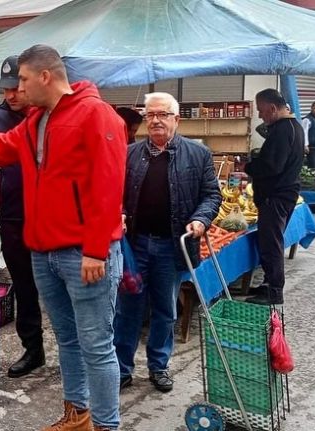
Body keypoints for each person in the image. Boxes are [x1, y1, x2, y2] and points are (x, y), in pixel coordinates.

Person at [0, 44, 126, 431]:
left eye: (24, 79)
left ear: (45, 76)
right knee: (67, 340)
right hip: (44, 252)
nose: (19, 88)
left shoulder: (97, 115)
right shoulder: (36, 121)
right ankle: (78, 415)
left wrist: (96, 251)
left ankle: (106, 425)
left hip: (85, 254)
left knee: (97, 347)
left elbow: (109, 186)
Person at [115, 92, 221, 393]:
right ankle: (122, 368)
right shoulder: (130, 153)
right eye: (150, 115)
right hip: (134, 247)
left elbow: (212, 195)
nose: (156, 120)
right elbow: (116, 194)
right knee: (128, 309)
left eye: (162, 114)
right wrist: (119, 213)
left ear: (177, 119)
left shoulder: (197, 154)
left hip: (171, 246)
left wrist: (201, 219)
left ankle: (158, 367)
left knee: (165, 309)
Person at [0, 55, 46, 379]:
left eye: (16, 88)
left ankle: (78, 349)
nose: (11, 95)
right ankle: (34, 348)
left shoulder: (49, 115)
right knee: (25, 286)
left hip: (51, 216)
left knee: (60, 287)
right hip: (16, 216)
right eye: (5, 90)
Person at [245, 89, 304, 306]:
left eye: (260, 110)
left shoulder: (282, 130)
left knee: (272, 242)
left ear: (272, 108)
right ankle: (268, 283)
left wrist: (249, 166)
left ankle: (274, 291)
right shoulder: (292, 127)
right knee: (271, 240)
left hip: (277, 196)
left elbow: (272, 165)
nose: (260, 116)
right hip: (284, 193)